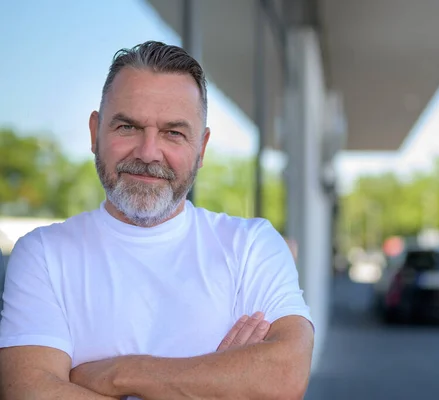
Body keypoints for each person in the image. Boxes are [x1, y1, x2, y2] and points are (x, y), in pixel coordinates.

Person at [0, 41, 314, 400]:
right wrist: (215, 381)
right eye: (128, 127)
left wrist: (117, 375)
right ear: (94, 133)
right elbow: (29, 393)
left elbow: (285, 377)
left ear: (202, 148)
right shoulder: (43, 254)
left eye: (173, 133)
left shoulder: (251, 245)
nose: (149, 153)